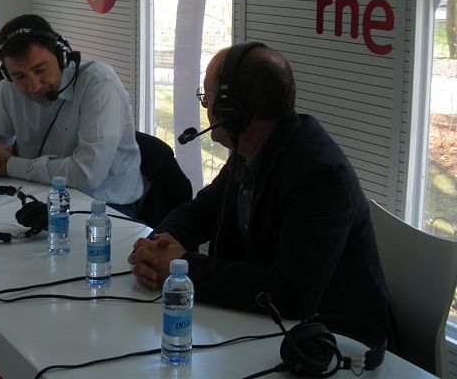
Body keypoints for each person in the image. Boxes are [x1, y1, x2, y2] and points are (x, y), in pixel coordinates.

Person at [128, 42, 399, 350]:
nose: (206, 108)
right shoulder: (252, 149)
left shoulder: (319, 175)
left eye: (209, 97)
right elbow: (203, 210)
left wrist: (183, 267)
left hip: (338, 345)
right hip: (268, 330)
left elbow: (290, 293)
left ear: (232, 111)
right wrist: (159, 244)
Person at [0, 14, 144, 211]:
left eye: (40, 69)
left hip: (104, 208)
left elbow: (87, 174)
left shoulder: (100, 84)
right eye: (19, 76)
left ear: (62, 57)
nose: (34, 85)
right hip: (37, 197)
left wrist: (9, 166)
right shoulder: (9, 88)